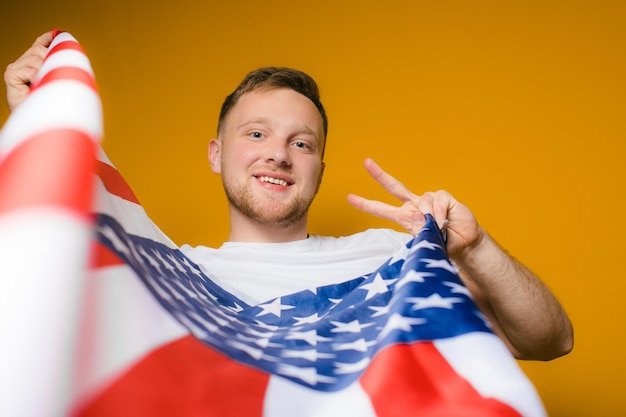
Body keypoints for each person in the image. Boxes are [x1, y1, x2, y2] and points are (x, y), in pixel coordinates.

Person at [5, 31, 573, 361]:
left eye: (300, 143)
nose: (278, 154)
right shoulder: (167, 277)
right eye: (256, 134)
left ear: (318, 170)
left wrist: (474, 248)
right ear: (216, 153)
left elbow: (549, 340)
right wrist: (40, 125)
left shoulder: (389, 259)